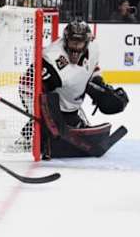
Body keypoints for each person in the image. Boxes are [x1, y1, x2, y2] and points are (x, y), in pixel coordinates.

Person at [19, 20, 129, 159]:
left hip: (70, 103)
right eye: (72, 42)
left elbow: (91, 69)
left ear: (87, 43)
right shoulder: (52, 59)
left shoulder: (94, 48)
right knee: (55, 135)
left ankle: (41, 130)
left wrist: (98, 86)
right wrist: (44, 114)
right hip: (55, 105)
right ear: (65, 40)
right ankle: (31, 136)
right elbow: (26, 84)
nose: (75, 47)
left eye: (79, 43)